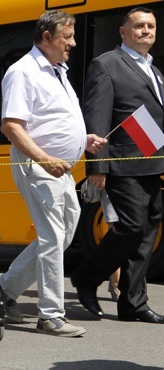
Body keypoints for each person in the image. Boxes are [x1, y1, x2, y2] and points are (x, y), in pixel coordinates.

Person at [0, 10, 105, 337]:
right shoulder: (23, 72)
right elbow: (11, 126)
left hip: (59, 168)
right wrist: (44, 159)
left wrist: (81, 140)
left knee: (62, 235)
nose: (73, 43)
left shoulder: (57, 70)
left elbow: (50, 120)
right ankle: (50, 315)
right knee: (54, 237)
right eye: (66, 37)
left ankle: (4, 291)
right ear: (46, 38)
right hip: (40, 166)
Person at [71, 7, 164, 324]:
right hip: (122, 163)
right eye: (139, 26)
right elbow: (97, 115)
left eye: (151, 26)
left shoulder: (155, 70)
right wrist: (97, 166)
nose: (146, 31)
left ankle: (133, 303)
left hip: (152, 164)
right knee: (131, 228)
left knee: (147, 236)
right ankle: (86, 277)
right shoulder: (107, 64)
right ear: (123, 32)